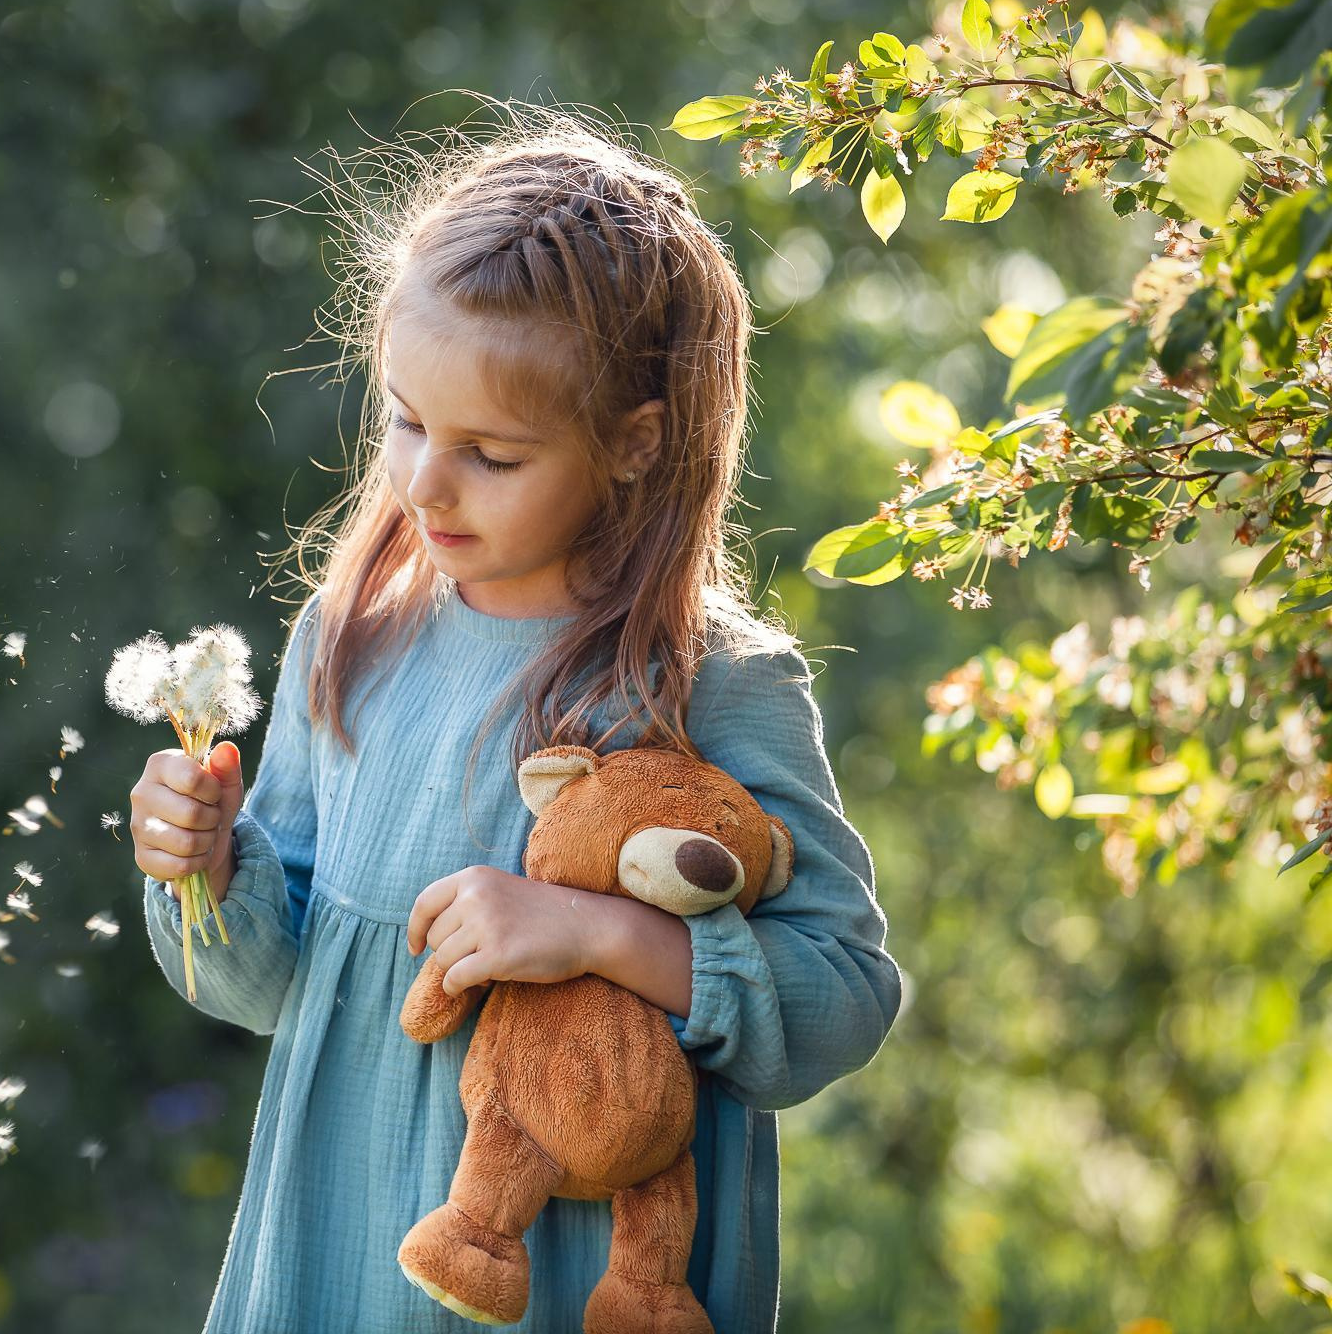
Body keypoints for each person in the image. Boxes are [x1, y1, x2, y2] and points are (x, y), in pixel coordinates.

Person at [127, 99, 903, 1333]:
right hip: (333, 1262)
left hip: (572, 1284)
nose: (425, 481)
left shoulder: (709, 678)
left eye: (491, 454)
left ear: (636, 444)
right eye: (406, 420)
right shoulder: (354, 633)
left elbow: (846, 993)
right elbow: (278, 985)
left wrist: (596, 936)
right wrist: (206, 864)